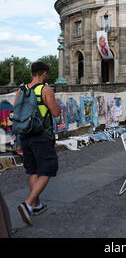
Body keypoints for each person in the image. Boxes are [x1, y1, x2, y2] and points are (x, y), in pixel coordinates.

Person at [13, 61, 61, 226]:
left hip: (24, 135)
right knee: (47, 170)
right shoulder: (45, 89)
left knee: (33, 170)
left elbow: (15, 111)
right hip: (41, 136)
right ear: (44, 74)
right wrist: (58, 105)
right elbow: (55, 113)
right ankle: (27, 204)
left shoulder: (21, 89)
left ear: (32, 73)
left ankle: (37, 205)